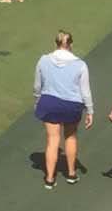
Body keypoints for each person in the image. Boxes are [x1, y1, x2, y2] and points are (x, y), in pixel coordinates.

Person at [33, 30, 91, 188]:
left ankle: (50, 179)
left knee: (53, 140)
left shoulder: (43, 60)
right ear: (70, 44)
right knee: (70, 137)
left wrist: (37, 100)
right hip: (71, 105)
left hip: (49, 103)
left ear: (56, 44)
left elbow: (38, 85)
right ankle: (71, 174)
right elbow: (85, 91)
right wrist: (90, 111)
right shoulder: (80, 64)